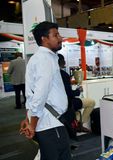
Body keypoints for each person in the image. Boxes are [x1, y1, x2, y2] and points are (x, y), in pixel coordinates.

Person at [19, 21, 71, 160]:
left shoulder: (43, 58)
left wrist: (28, 118)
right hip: (50, 124)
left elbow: (32, 93)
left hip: (49, 121)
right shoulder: (44, 59)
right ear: (44, 39)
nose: (60, 38)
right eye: (56, 35)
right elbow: (40, 93)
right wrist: (32, 125)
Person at [57, 53, 94, 132]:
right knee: (91, 102)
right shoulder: (64, 75)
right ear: (62, 62)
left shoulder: (51, 74)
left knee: (78, 108)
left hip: (57, 104)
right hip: (68, 103)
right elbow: (69, 94)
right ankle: (79, 124)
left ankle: (76, 123)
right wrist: (78, 91)